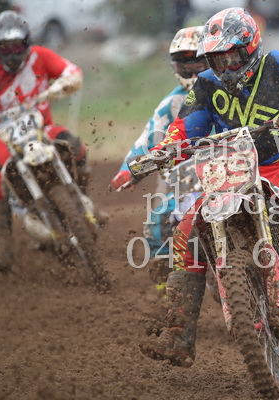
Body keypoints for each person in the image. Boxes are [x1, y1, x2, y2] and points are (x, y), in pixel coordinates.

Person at [139, 7, 279, 368]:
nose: (225, 67)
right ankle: (178, 335)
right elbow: (186, 126)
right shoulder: (206, 84)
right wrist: (164, 149)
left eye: (231, 57)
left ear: (250, 47)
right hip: (227, 171)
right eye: (217, 60)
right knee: (185, 233)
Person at [0, 10, 85, 272]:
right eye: (6, 46)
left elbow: (72, 71)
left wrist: (62, 86)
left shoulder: (41, 56)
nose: (12, 52)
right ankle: (0, 252)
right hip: (5, 138)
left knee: (76, 148)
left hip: (43, 128)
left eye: (17, 45)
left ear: (27, 42)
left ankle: (83, 204)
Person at [109, 26, 209, 293]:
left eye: (197, 62)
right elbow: (149, 138)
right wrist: (129, 168)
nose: (192, 70)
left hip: (235, 171)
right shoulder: (172, 103)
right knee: (158, 221)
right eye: (185, 64)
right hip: (189, 181)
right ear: (176, 67)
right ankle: (169, 291)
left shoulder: (230, 89)